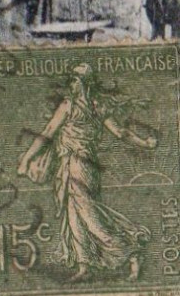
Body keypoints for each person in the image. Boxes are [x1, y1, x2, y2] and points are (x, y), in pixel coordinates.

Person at [17, 62, 157, 281]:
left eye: (74, 80)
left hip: (78, 166)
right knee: (74, 215)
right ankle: (84, 266)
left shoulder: (70, 106)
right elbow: (120, 132)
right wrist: (145, 143)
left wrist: (26, 159)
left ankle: (131, 252)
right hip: (79, 167)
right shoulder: (97, 106)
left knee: (89, 217)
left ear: (82, 83)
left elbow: (48, 132)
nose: (71, 84)